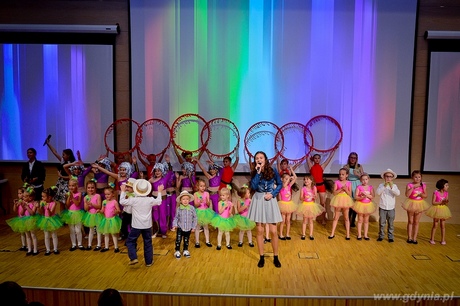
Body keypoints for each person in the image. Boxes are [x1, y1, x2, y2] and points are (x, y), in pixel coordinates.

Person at [247, 151, 283, 268]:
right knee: (260, 231)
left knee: (273, 231)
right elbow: (253, 186)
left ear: (265, 159)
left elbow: (280, 184)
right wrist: (257, 172)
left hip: (270, 199)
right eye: (257, 158)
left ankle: (276, 256)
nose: (259, 159)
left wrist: (273, 194)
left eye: (261, 158)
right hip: (258, 199)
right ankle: (261, 257)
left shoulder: (273, 170)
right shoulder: (254, 172)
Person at [119, 179, 163, 266]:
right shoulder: (150, 199)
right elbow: (159, 201)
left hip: (136, 226)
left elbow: (122, 201)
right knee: (148, 243)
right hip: (147, 226)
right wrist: (159, 192)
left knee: (130, 241)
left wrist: (123, 191)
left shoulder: (133, 200)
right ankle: (149, 262)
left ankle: (133, 257)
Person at [45, 139, 76, 207]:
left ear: (68, 156)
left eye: (64, 155)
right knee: (61, 202)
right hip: (61, 184)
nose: (62, 156)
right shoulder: (63, 161)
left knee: (67, 202)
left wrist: (61, 176)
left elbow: (70, 177)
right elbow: (54, 152)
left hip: (67, 185)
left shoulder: (72, 165)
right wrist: (48, 144)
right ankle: (61, 216)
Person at [306, 152, 335, 225]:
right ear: (313, 159)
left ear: (320, 159)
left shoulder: (322, 166)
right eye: (315, 158)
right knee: (311, 203)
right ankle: (310, 219)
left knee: (322, 203)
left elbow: (329, 158)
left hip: (321, 186)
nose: (317, 160)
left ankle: (323, 219)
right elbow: (307, 157)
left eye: (318, 158)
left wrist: (334, 150)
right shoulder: (311, 166)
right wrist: (307, 146)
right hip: (313, 186)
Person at [403, 170, 429, 244]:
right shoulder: (409, 185)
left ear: (421, 178)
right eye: (415, 177)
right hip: (411, 203)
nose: (417, 179)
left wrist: (420, 194)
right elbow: (407, 195)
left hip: (419, 203)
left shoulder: (423, 185)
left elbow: (425, 195)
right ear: (412, 177)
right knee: (410, 221)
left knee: (416, 221)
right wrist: (413, 187)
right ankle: (409, 237)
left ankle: (414, 238)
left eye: (419, 177)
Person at [376, 169, 400, 242]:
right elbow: (378, 193)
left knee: (391, 223)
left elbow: (398, 193)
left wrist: (391, 187)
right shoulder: (381, 185)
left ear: (392, 178)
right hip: (382, 207)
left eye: (390, 177)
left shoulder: (394, 186)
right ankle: (381, 235)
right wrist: (384, 186)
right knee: (382, 223)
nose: (388, 178)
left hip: (391, 208)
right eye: (387, 176)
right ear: (384, 177)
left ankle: (390, 237)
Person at [37, 186, 63, 255]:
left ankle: (55, 249)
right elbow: (41, 212)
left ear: (49, 197)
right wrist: (40, 207)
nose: (42, 198)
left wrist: (47, 208)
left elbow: (51, 213)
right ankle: (48, 249)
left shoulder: (54, 203)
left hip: (52, 219)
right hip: (45, 220)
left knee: (54, 234)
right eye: (42, 197)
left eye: (44, 197)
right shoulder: (43, 203)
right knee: (46, 235)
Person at [297, 175, 324, 240]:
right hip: (305, 205)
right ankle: (303, 234)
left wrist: (314, 196)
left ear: (311, 181)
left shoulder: (314, 188)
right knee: (305, 220)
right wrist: (304, 198)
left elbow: (315, 196)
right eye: (305, 179)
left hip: (311, 205)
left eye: (307, 179)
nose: (305, 180)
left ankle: (311, 234)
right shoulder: (303, 188)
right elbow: (301, 198)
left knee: (311, 220)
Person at [328, 168, 353, 240]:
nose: (341, 176)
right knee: (336, 217)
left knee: (346, 217)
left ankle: (348, 234)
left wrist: (346, 189)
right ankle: (332, 233)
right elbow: (334, 193)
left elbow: (350, 194)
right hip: (338, 200)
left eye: (343, 174)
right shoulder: (336, 182)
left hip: (346, 200)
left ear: (347, 175)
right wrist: (341, 189)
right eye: (340, 174)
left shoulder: (349, 183)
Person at [61, 177, 85, 251]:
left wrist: (73, 198)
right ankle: (73, 244)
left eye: (73, 186)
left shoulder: (79, 194)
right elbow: (67, 205)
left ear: (76, 186)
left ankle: (80, 244)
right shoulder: (67, 194)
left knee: (78, 230)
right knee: (72, 230)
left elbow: (77, 204)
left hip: (78, 213)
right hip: (70, 214)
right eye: (69, 186)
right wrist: (69, 197)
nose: (71, 187)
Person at [172, 190, 197, 258]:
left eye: (187, 199)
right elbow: (176, 218)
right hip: (180, 227)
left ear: (189, 200)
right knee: (178, 239)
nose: (185, 201)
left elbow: (195, 218)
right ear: (180, 200)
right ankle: (177, 250)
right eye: (183, 199)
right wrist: (174, 225)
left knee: (186, 239)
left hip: (188, 227)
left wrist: (193, 227)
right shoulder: (179, 209)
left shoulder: (192, 208)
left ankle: (185, 250)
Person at [426, 179, 451, 245]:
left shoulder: (446, 193)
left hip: (443, 210)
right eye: (446, 185)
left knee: (443, 225)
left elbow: (446, 203)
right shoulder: (436, 192)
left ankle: (443, 239)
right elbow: (433, 202)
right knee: (435, 225)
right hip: (436, 209)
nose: (448, 186)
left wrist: (445, 202)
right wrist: (440, 202)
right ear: (442, 186)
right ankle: (432, 239)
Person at [352, 173, 376, 240]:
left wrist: (366, 195)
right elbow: (356, 197)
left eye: (366, 179)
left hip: (368, 205)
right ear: (360, 180)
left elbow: (372, 196)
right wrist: (362, 197)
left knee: (366, 220)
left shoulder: (370, 187)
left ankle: (365, 235)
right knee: (360, 220)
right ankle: (359, 235)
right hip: (360, 204)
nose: (364, 181)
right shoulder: (359, 187)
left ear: (368, 179)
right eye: (363, 180)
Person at [98, 185, 122, 253]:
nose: (107, 196)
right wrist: (99, 211)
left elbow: (119, 210)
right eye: (105, 194)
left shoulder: (114, 202)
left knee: (113, 234)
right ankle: (106, 247)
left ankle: (116, 247)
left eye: (108, 194)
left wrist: (116, 211)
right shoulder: (104, 202)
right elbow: (103, 210)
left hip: (112, 220)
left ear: (113, 194)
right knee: (106, 234)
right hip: (106, 220)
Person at [343, 152, 364, 227]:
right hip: (349, 184)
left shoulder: (359, 166)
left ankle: (353, 221)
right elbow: (343, 176)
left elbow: (363, 177)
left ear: (356, 159)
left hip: (357, 185)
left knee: (356, 204)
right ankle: (347, 220)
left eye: (354, 158)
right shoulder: (346, 166)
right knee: (349, 204)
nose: (353, 159)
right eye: (351, 157)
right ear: (349, 158)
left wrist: (358, 175)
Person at [193, 178, 214, 248]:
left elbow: (208, 205)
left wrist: (207, 202)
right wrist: (200, 202)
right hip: (198, 212)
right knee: (197, 227)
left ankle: (207, 241)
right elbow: (195, 205)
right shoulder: (195, 194)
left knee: (206, 227)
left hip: (205, 212)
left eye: (204, 186)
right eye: (201, 186)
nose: (203, 187)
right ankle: (197, 242)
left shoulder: (207, 193)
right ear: (198, 186)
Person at [82, 180, 103, 250]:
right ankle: (89, 244)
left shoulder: (97, 196)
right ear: (86, 188)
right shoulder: (85, 197)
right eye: (89, 188)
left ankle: (99, 244)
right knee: (91, 230)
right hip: (90, 215)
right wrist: (88, 204)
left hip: (97, 215)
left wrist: (92, 204)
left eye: (92, 187)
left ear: (95, 188)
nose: (90, 189)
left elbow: (99, 206)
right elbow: (85, 208)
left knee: (98, 230)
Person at [277, 167, 297, 240]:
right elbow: (284, 185)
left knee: (288, 220)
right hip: (283, 204)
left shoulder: (289, 186)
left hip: (289, 204)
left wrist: (291, 170)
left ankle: (287, 234)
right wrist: (288, 179)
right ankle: (281, 234)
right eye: (286, 179)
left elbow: (295, 178)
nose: (287, 180)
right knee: (283, 220)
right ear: (282, 179)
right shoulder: (281, 186)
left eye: (288, 179)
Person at [6, 186, 27, 251]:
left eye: (20, 193)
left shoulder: (25, 202)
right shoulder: (18, 201)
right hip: (20, 219)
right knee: (22, 233)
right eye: (18, 193)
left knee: (27, 233)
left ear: (24, 194)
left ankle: (29, 246)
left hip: (26, 219)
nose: (19, 195)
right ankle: (23, 245)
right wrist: (15, 204)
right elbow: (15, 210)